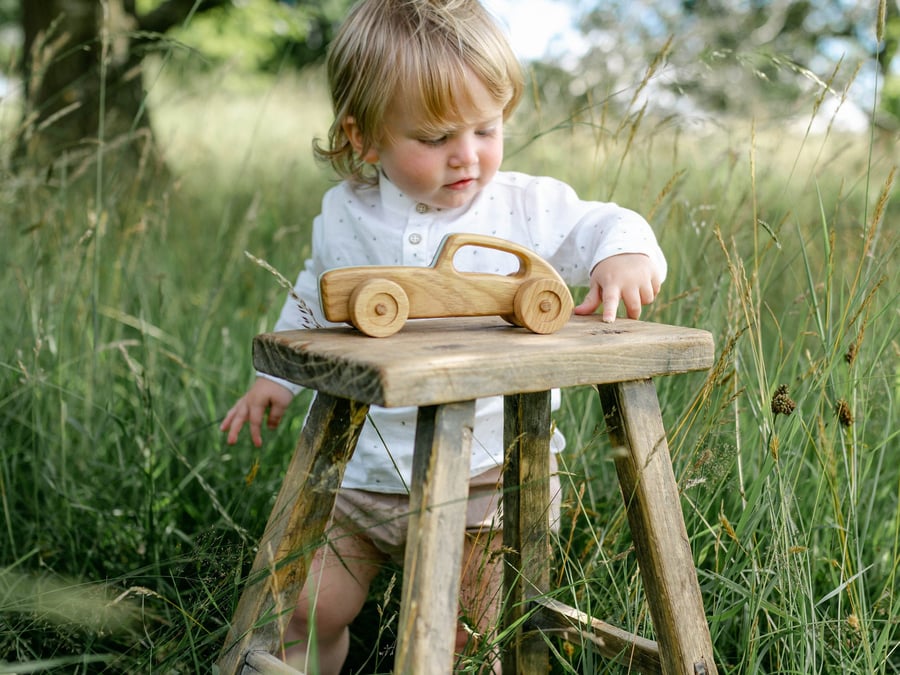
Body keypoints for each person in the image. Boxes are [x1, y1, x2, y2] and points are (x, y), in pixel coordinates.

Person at [221, 0, 667, 671]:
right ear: (364, 138)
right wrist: (275, 377)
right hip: (362, 481)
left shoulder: (524, 206)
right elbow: (313, 297)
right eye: (434, 139)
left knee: (465, 634)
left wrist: (623, 257)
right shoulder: (344, 213)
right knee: (308, 608)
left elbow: (608, 222)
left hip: (486, 487)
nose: (467, 156)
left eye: (486, 129)